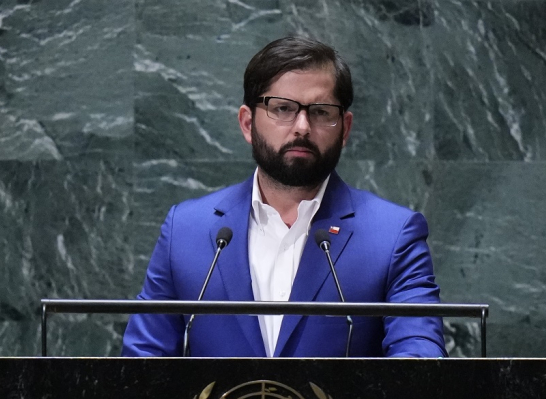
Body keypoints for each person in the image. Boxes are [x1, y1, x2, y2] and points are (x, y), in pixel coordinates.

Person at [122, 36, 447, 358]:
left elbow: (420, 363)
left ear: (345, 129)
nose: (302, 127)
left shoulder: (393, 235)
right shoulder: (186, 230)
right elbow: (141, 366)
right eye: (283, 108)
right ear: (248, 123)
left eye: (320, 112)